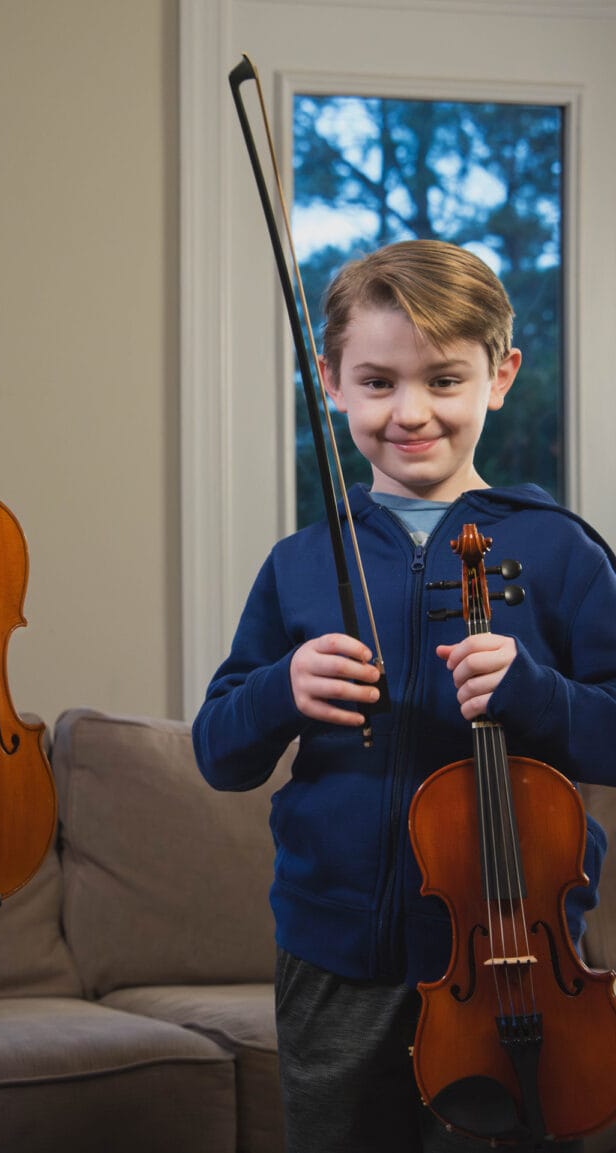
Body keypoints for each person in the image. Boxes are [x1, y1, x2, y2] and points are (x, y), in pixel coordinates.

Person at [192, 239, 616, 1152]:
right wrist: (281, 686)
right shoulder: (302, 563)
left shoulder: (560, 553)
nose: (411, 413)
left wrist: (536, 693)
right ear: (330, 380)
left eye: (445, 381)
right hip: (332, 959)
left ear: (499, 377)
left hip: (513, 962)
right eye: (378, 382)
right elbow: (218, 751)